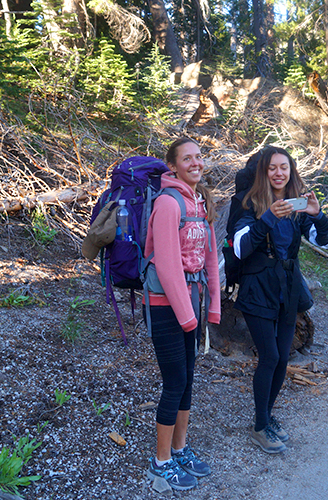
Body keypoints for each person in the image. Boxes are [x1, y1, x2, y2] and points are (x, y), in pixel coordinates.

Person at [232, 146, 328, 453]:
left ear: (291, 171)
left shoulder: (296, 206)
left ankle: (267, 415)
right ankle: (260, 426)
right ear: (264, 171)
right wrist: (266, 219)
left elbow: (325, 241)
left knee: (281, 357)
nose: (279, 173)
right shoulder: (247, 203)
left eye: (284, 167)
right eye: (273, 168)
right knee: (271, 357)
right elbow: (239, 248)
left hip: (288, 288)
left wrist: (318, 215)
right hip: (258, 287)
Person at [144, 137, 221, 490]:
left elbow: (209, 260)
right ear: (173, 166)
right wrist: (188, 317)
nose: (196, 163)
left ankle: (179, 449)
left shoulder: (201, 204)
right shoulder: (168, 203)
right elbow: (168, 265)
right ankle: (160, 462)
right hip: (165, 306)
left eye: (199, 157)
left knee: (188, 381)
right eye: (187, 158)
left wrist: (213, 306)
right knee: (174, 382)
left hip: (192, 302)